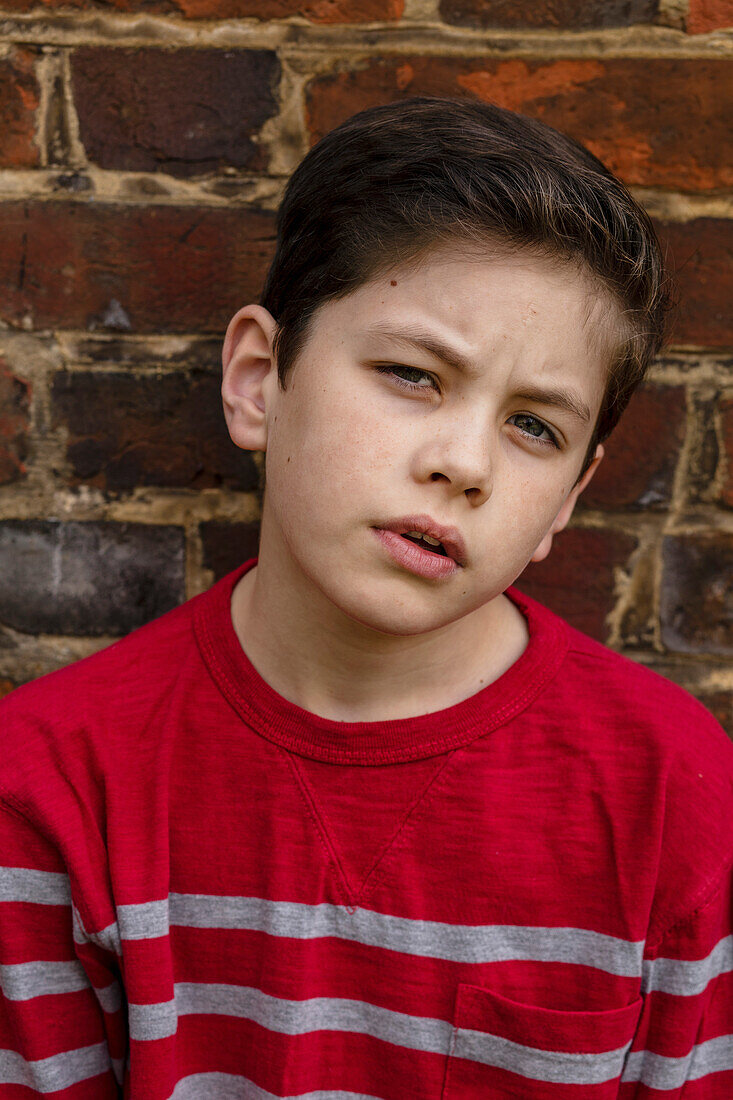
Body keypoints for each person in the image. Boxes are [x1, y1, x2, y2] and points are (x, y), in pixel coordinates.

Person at [0, 97, 730, 1099]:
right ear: (260, 379)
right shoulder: (53, 780)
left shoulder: (675, 797)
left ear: (569, 496)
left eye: (533, 428)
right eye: (411, 373)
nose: (464, 463)